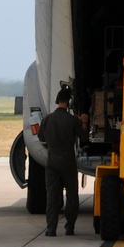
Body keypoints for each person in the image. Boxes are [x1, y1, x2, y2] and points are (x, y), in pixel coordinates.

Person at [37, 88, 89, 236]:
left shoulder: (47, 119)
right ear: (69, 102)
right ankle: (69, 227)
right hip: (68, 161)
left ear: (56, 101)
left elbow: (41, 138)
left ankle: (51, 229)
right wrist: (84, 122)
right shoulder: (72, 120)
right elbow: (84, 138)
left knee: (52, 196)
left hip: (52, 161)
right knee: (72, 195)